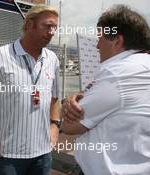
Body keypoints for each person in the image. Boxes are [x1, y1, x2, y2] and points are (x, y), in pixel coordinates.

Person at [0, 5, 61, 175]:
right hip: (9, 155)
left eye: (54, 27)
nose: (52, 32)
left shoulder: (53, 59)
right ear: (30, 25)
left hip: (43, 153)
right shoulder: (0, 56)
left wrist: (55, 125)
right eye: (47, 26)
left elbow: (55, 97)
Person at [61, 5, 150, 175]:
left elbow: (70, 127)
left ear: (117, 40)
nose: (97, 45)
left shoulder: (118, 73)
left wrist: (68, 104)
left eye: (100, 38)